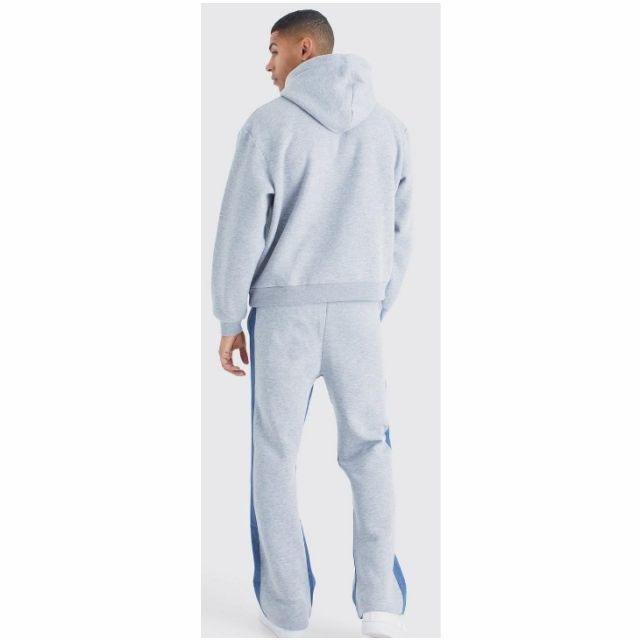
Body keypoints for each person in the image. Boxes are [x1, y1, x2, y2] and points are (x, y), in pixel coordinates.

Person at [210, 9, 413, 638]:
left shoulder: (267, 126)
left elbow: (240, 228)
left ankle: (287, 608)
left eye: (272, 50)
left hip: (283, 316)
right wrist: (374, 301)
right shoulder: (390, 129)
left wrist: (229, 314)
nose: (267, 65)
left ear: (304, 49)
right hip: (358, 315)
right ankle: (380, 603)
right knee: (369, 450)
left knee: (275, 454)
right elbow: (402, 230)